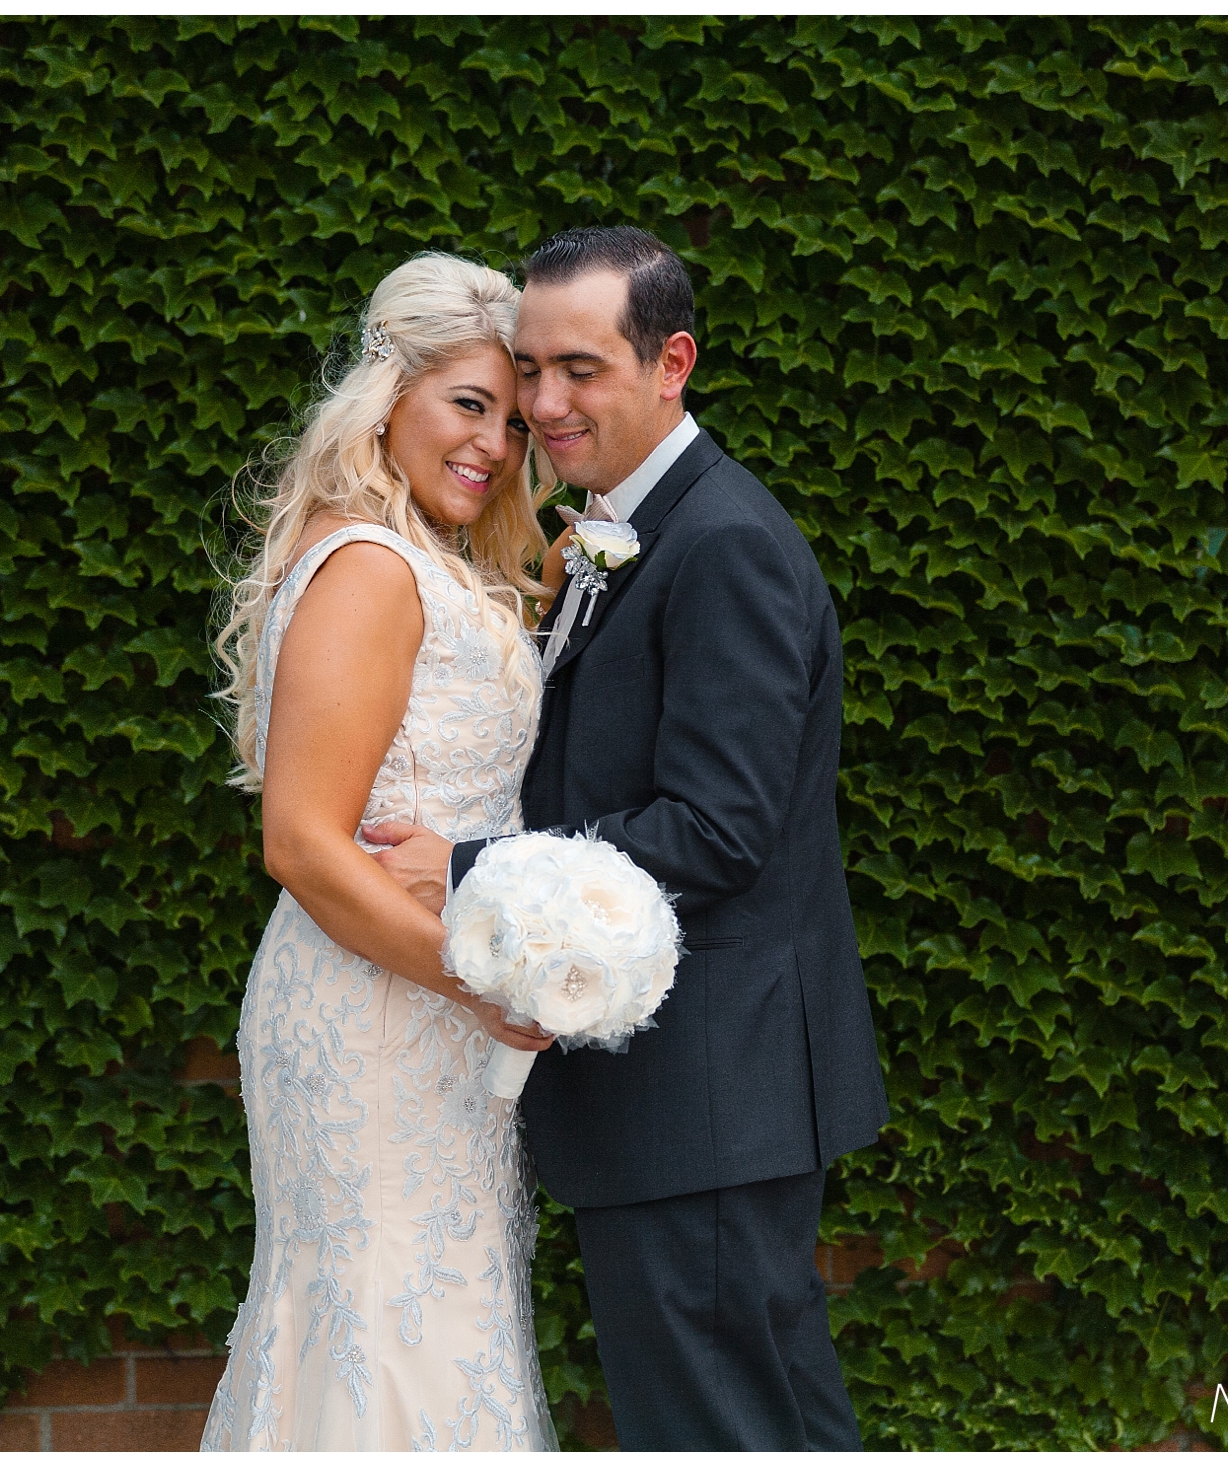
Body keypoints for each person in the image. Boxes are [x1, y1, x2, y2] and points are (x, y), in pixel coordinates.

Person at [365, 225, 890, 1451]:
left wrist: (461, 870)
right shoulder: (623, 530)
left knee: (721, 1427)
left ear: (672, 363)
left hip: (709, 1093)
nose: (543, 404)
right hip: (685, 1100)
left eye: (581, 370)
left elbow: (713, 832)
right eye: (530, 368)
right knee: (758, 1418)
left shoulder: (726, 547)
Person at [199, 253, 560, 1452]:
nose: (495, 445)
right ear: (386, 393)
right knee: (378, 1322)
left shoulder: (435, 568)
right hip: (373, 1008)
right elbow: (302, 843)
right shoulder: (369, 569)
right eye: (467, 404)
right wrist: (476, 980)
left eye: (513, 421)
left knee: (434, 1322)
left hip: (430, 1014)